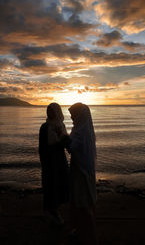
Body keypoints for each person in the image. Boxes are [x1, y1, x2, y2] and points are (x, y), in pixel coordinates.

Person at [67, 102, 98, 245]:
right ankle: (81, 232)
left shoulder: (82, 132)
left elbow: (72, 148)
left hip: (82, 172)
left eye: (73, 115)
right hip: (80, 169)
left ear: (80, 115)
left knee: (84, 205)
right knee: (80, 204)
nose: (72, 118)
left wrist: (61, 136)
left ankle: (90, 237)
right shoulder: (81, 128)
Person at [39, 102, 69, 225]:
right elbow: (41, 147)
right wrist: (44, 162)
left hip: (60, 159)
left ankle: (54, 211)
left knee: (60, 184)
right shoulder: (45, 127)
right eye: (48, 110)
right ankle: (52, 212)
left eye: (52, 110)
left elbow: (65, 144)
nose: (49, 113)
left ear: (57, 112)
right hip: (49, 160)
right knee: (50, 185)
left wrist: (60, 135)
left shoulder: (61, 125)